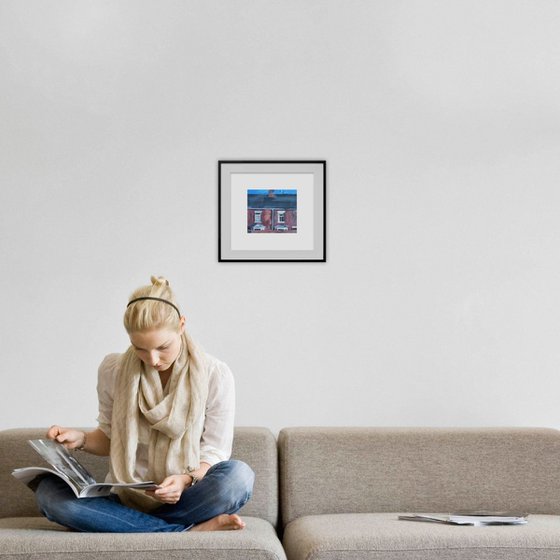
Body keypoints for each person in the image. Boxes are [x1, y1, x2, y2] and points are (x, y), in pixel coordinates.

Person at [34, 276, 254, 533]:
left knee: (239, 477)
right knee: (48, 494)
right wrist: (80, 438)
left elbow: (214, 451)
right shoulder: (113, 370)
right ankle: (184, 532)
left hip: (186, 497)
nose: (152, 359)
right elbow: (110, 438)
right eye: (139, 349)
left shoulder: (215, 374)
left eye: (163, 347)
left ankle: (130, 527)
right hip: (124, 498)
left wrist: (184, 480)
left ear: (182, 325)